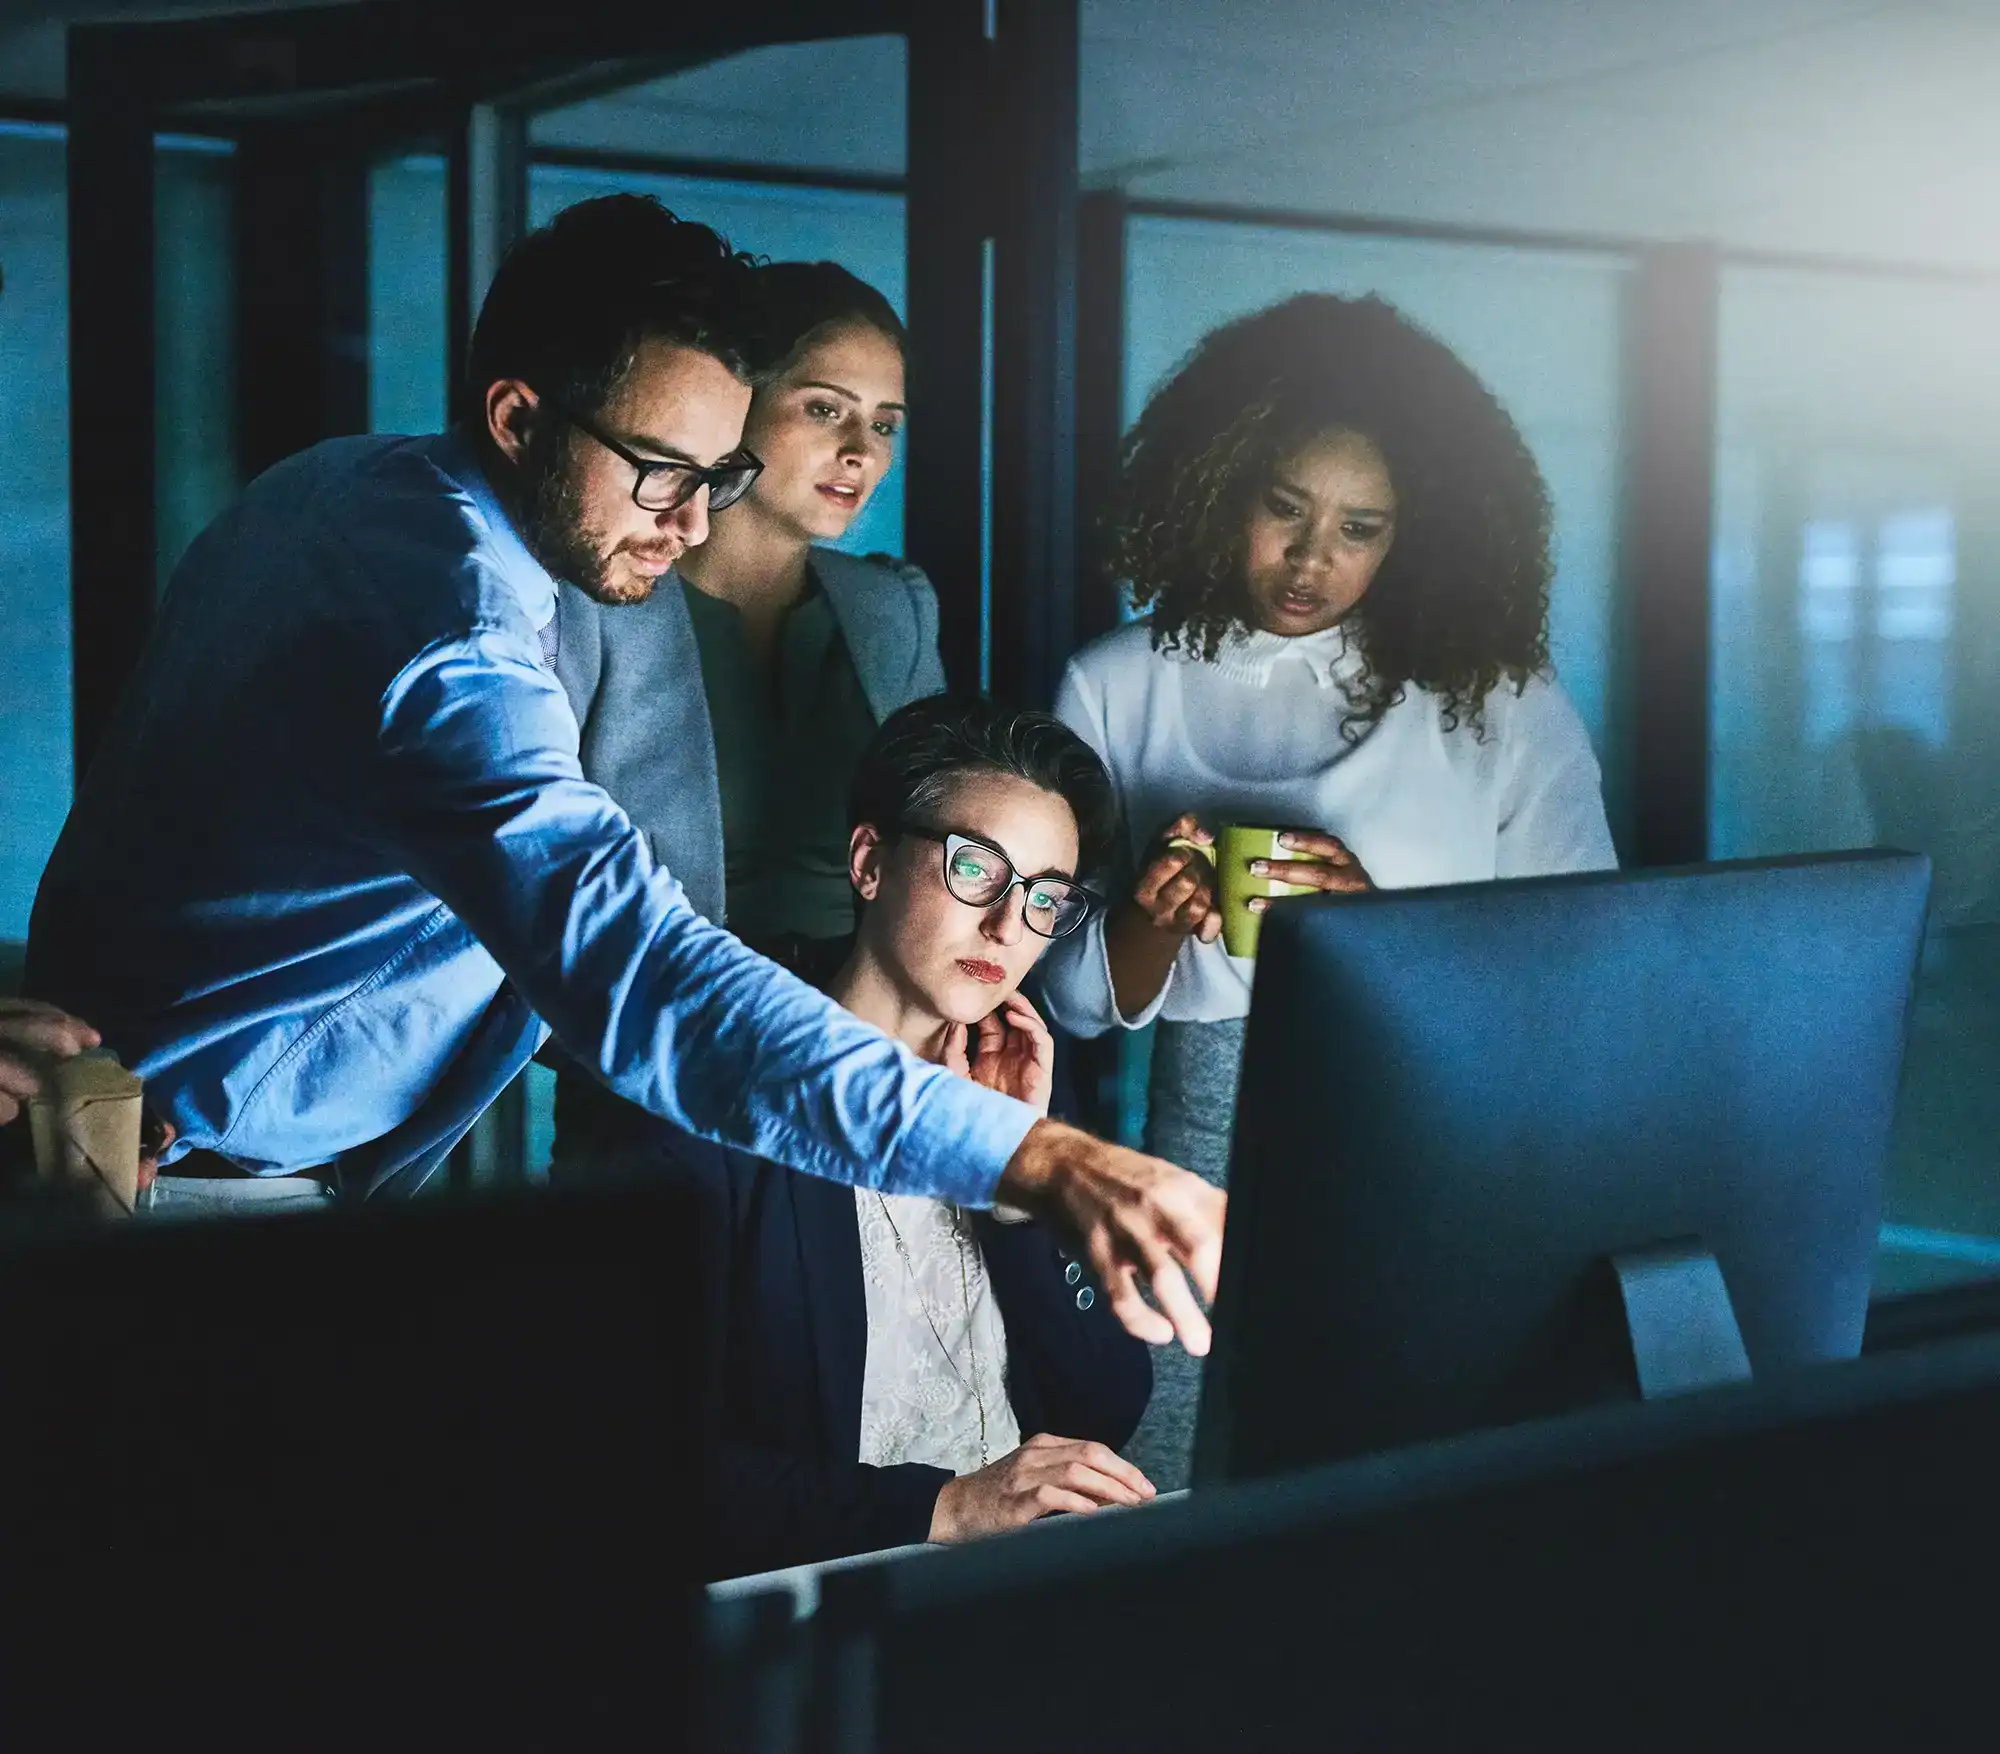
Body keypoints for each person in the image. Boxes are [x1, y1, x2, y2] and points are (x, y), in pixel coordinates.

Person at [24, 195, 1223, 1353]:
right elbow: (637, 966)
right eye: (660, 470)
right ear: (515, 416)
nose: (693, 525)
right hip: (187, 1196)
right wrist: (1042, 1157)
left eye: (719, 476)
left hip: (121, 1133)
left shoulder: (336, 485)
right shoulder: (455, 645)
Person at [1038, 292, 1618, 1484]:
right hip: (1201, 1125)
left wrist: (1372, 933)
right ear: (1213, 486)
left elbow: (1582, 968)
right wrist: (1148, 918)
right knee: (1167, 1468)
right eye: (1283, 508)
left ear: (1422, 531)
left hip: (1427, 1118)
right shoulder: (1114, 683)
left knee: (1406, 1470)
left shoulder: (1495, 698)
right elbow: (1077, 1000)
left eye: (1361, 527)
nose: (1312, 560)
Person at [582, 697, 1155, 1577]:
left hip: (1017, 1594)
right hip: (813, 1617)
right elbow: (625, 1464)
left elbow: (1109, 1403)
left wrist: (1015, 1186)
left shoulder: (1019, 1069)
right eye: (976, 867)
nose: (1008, 926)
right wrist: (943, 1508)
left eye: (1047, 898)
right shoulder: (705, 1091)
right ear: (869, 861)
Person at [550, 259, 935, 1162]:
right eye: (825, 408)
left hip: (856, 1068)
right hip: (654, 1075)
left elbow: (946, 830)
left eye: (885, 425)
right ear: (735, 405)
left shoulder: (894, 607)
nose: (862, 452)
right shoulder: (599, 602)